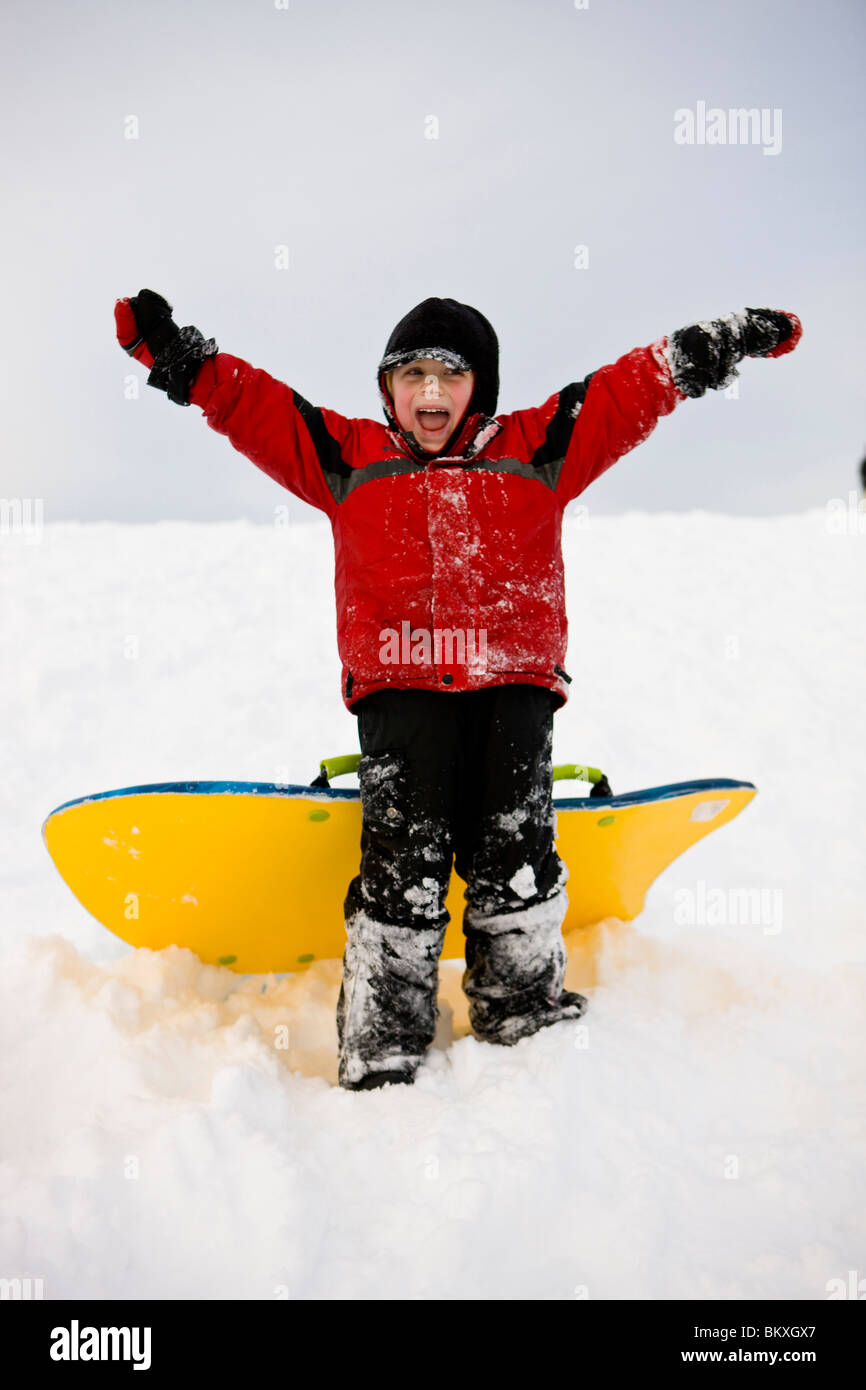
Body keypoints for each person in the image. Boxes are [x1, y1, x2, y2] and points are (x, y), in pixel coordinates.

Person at [115, 290, 802, 1089]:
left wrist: (717, 343)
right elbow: (254, 407)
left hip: (514, 685)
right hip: (400, 686)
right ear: (388, 389)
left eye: (452, 373)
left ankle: (521, 1010)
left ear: (483, 387)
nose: (431, 391)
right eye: (412, 373)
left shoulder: (543, 444)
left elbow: (631, 387)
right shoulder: (349, 456)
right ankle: (384, 1038)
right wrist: (176, 355)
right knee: (401, 864)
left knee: (516, 854)